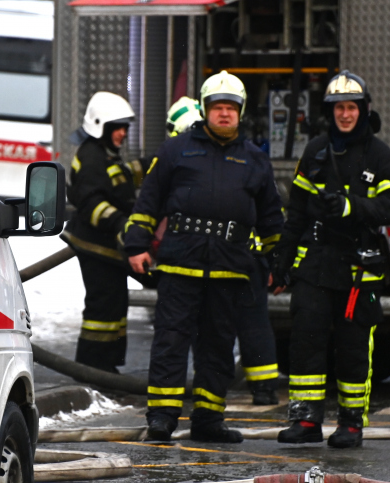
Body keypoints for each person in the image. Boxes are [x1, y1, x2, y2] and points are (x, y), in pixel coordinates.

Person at [124, 71, 284, 443]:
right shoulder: (175, 150)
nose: (224, 114)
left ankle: (209, 420)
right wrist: (136, 245)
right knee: (171, 341)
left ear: (240, 113)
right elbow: (148, 201)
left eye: (231, 108)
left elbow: (272, 218)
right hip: (181, 264)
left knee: (218, 346)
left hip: (229, 269)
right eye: (218, 107)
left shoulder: (255, 160)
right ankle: (162, 418)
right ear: (205, 109)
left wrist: (278, 264)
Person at [272, 70, 390, 448]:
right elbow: (297, 211)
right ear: (329, 112)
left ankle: (351, 424)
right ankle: (305, 421)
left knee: (353, 347)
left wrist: (353, 206)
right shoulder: (316, 151)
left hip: (357, 268)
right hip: (315, 262)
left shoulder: (380, 156)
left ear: (363, 111)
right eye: (338, 108)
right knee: (306, 340)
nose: (345, 115)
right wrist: (283, 259)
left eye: (351, 108)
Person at [165, 96, 281, 406]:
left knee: (241, 324)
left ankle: (262, 386)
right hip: (233, 256)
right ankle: (263, 387)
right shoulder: (194, 151)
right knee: (239, 325)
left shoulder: (238, 158)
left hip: (240, 257)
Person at [61, 91, 149, 373]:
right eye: (118, 128)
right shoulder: (91, 158)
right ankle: (93, 367)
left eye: (125, 127)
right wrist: (122, 224)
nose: (123, 134)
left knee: (113, 305)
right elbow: (92, 202)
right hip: (95, 246)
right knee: (103, 308)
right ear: (101, 126)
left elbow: (121, 176)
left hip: (106, 247)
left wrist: (154, 165)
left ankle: (106, 365)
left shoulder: (104, 155)